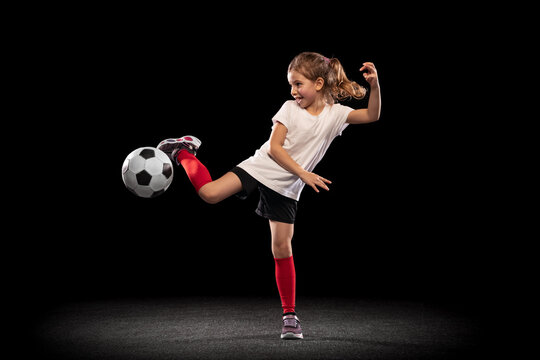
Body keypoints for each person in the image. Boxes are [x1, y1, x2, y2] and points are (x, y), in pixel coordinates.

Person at [157, 51, 381, 339]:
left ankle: (290, 316)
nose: (293, 90)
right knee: (210, 194)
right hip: (262, 167)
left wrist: (375, 86)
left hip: (286, 188)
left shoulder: (336, 115)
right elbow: (275, 149)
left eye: (298, 84)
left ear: (319, 83)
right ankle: (184, 151)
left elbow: (372, 114)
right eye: (291, 84)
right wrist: (304, 173)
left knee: (281, 250)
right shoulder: (289, 108)